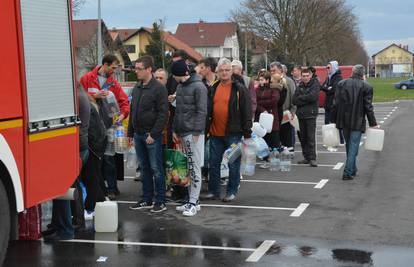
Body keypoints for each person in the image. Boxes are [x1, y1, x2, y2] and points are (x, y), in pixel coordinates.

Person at [43, 87, 91, 240]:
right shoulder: (79, 95)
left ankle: (65, 230)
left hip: (75, 148)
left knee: (63, 188)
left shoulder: (75, 97)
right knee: (66, 188)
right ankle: (59, 225)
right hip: (78, 147)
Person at [202, 58, 252, 202]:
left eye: (227, 70)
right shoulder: (214, 87)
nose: (224, 73)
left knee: (233, 164)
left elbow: (247, 111)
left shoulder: (239, 89)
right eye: (221, 70)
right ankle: (214, 191)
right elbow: (208, 111)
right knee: (213, 164)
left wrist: (247, 132)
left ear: (232, 71)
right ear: (217, 72)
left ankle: (231, 192)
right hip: (215, 134)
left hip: (234, 134)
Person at [80, 54, 130, 200]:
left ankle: (112, 188)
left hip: (109, 126)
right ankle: (96, 189)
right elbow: (80, 97)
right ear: (105, 65)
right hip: (91, 126)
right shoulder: (87, 78)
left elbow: (124, 102)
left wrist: (122, 115)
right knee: (93, 159)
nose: (114, 71)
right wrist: (95, 97)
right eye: (113, 67)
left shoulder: (114, 83)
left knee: (109, 158)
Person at [128, 56, 169, 212]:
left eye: (139, 69)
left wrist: (154, 134)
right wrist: (130, 133)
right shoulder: (137, 87)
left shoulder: (159, 88)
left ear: (149, 69)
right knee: (144, 168)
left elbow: (163, 114)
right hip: (138, 134)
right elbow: (133, 111)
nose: (136, 71)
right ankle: (146, 198)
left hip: (151, 135)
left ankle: (160, 200)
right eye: (136, 68)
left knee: (156, 168)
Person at [171, 59, 208, 216]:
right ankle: (193, 200)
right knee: (189, 167)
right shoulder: (180, 86)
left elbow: (202, 111)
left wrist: (196, 132)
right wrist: (174, 129)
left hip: (193, 133)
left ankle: (193, 202)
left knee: (194, 167)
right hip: (183, 131)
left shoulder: (199, 87)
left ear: (180, 74)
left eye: (174, 74)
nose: (173, 77)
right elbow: (178, 110)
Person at [332, 65, 378, 180]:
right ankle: (348, 172)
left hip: (343, 120)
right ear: (363, 74)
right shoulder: (367, 87)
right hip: (357, 120)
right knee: (353, 147)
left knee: (350, 146)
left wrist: (333, 120)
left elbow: (335, 103)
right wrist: (373, 123)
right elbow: (368, 107)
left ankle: (352, 168)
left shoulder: (341, 84)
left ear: (352, 72)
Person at [292, 68, 320, 167]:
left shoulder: (315, 84)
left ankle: (312, 158)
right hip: (301, 115)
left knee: (310, 137)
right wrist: (305, 98)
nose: (305, 78)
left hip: (311, 114)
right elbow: (294, 100)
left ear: (311, 75)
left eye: (307, 75)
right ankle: (306, 157)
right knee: (303, 137)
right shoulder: (300, 85)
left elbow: (313, 97)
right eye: (303, 76)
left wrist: (301, 98)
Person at [255, 71, 281, 167]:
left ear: (267, 80)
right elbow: (254, 102)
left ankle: (275, 160)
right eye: (259, 79)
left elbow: (274, 101)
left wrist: (261, 103)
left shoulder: (274, 89)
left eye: (262, 79)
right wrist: (262, 109)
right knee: (263, 140)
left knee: (274, 139)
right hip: (261, 117)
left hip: (272, 117)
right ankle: (266, 160)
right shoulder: (256, 90)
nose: (260, 81)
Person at [270, 62, 296, 152]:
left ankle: (289, 152)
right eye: (271, 71)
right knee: (277, 137)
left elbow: (293, 97)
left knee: (287, 136)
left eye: (274, 70)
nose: (272, 72)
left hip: (286, 113)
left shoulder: (288, 81)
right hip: (274, 114)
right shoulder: (270, 82)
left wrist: (292, 111)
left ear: (281, 70)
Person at [321, 60, 344, 146]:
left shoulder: (338, 77)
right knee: (327, 123)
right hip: (327, 104)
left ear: (334, 67)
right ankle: (328, 141)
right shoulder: (328, 77)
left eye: (328, 68)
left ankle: (341, 140)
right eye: (326, 68)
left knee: (336, 123)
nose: (327, 69)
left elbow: (334, 89)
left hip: (335, 104)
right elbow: (322, 87)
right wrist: (327, 88)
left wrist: (327, 88)